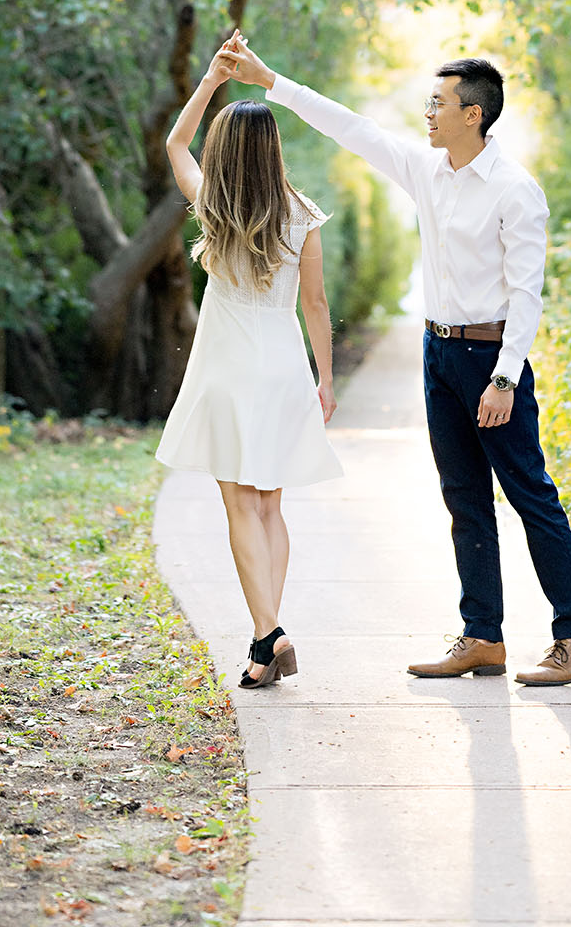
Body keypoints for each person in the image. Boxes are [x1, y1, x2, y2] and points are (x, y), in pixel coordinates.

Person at [225, 31, 571, 687]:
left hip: (492, 359)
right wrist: (268, 80)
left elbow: (527, 293)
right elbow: (354, 128)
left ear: (472, 115)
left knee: (530, 494)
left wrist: (506, 376)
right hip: (438, 353)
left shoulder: (515, 190)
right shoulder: (427, 170)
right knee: (464, 498)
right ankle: (482, 636)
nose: (427, 113)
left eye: (438, 103)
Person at [155, 40, 341, 689]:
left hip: (229, 370)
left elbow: (176, 145)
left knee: (239, 507)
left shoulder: (213, 204)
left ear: (224, 154)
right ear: (274, 154)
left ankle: (268, 633)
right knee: (270, 507)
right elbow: (315, 305)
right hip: (284, 367)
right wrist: (325, 378)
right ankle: (266, 647)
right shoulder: (303, 216)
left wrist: (210, 80)